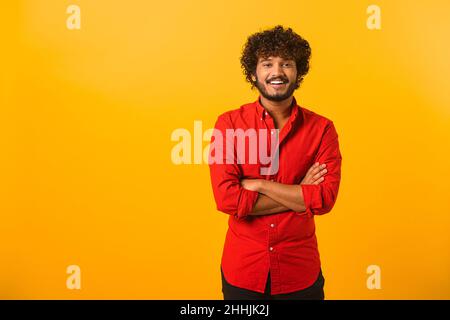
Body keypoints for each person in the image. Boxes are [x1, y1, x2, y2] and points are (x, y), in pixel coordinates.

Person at [208, 25, 342, 300]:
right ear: (253, 73)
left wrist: (258, 185)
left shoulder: (322, 129)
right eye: (267, 63)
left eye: (287, 64)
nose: (277, 72)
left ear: (298, 72)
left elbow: (325, 199)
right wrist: (300, 193)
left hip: (300, 273)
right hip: (243, 271)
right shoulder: (228, 124)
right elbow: (226, 200)